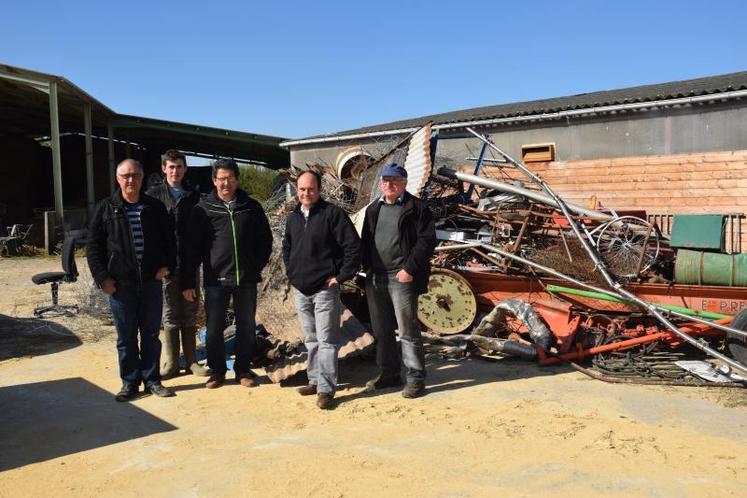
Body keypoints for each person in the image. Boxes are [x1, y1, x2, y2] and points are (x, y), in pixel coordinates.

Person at [86, 159, 176, 401]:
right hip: (120, 285)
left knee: (150, 336)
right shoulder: (106, 209)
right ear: (118, 179)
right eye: (126, 176)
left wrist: (167, 266)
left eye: (135, 175)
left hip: (150, 283)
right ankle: (130, 383)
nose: (131, 180)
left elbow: (170, 241)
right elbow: (93, 248)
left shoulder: (154, 208)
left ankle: (152, 380)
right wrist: (102, 278)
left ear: (142, 178)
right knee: (125, 338)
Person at [181, 159, 272, 389]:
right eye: (221, 179)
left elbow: (265, 240)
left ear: (237, 179)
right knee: (213, 329)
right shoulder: (203, 210)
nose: (226, 183)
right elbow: (190, 249)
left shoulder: (251, 207)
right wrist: (187, 281)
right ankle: (218, 371)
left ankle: (242, 370)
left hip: (246, 279)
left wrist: (255, 265)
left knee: (246, 326)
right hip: (215, 280)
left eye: (230, 178)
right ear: (214, 181)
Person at [282, 170, 360, 410]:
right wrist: (292, 273)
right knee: (311, 339)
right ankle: (314, 381)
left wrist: (341, 276)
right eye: (302, 189)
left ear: (319, 190)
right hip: (301, 289)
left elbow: (353, 247)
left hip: (325, 288)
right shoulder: (293, 218)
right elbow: (287, 248)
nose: (306, 193)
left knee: (327, 340)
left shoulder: (332, 215)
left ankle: (326, 390)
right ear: (297, 190)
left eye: (311, 189)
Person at [361, 163, 437, 399]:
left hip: (401, 277)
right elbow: (366, 240)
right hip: (377, 278)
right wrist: (367, 267)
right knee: (382, 329)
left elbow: (426, 241)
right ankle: (389, 374)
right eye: (385, 180)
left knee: (407, 329)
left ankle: (415, 378)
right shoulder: (374, 209)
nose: (388, 184)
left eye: (393, 180)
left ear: (404, 183)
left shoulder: (417, 208)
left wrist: (409, 269)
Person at [146, 150, 210, 379]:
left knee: (190, 311)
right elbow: (150, 235)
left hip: (190, 264)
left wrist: (198, 259)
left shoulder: (194, 196)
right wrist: (159, 264)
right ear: (164, 168)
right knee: (170, 314)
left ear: (185, 169)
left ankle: (192, 361)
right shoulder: (153, 196)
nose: (175, 171)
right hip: (166, 267)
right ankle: (172, 362)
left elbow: (200, 231)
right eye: (171, 167)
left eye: (179, 166)